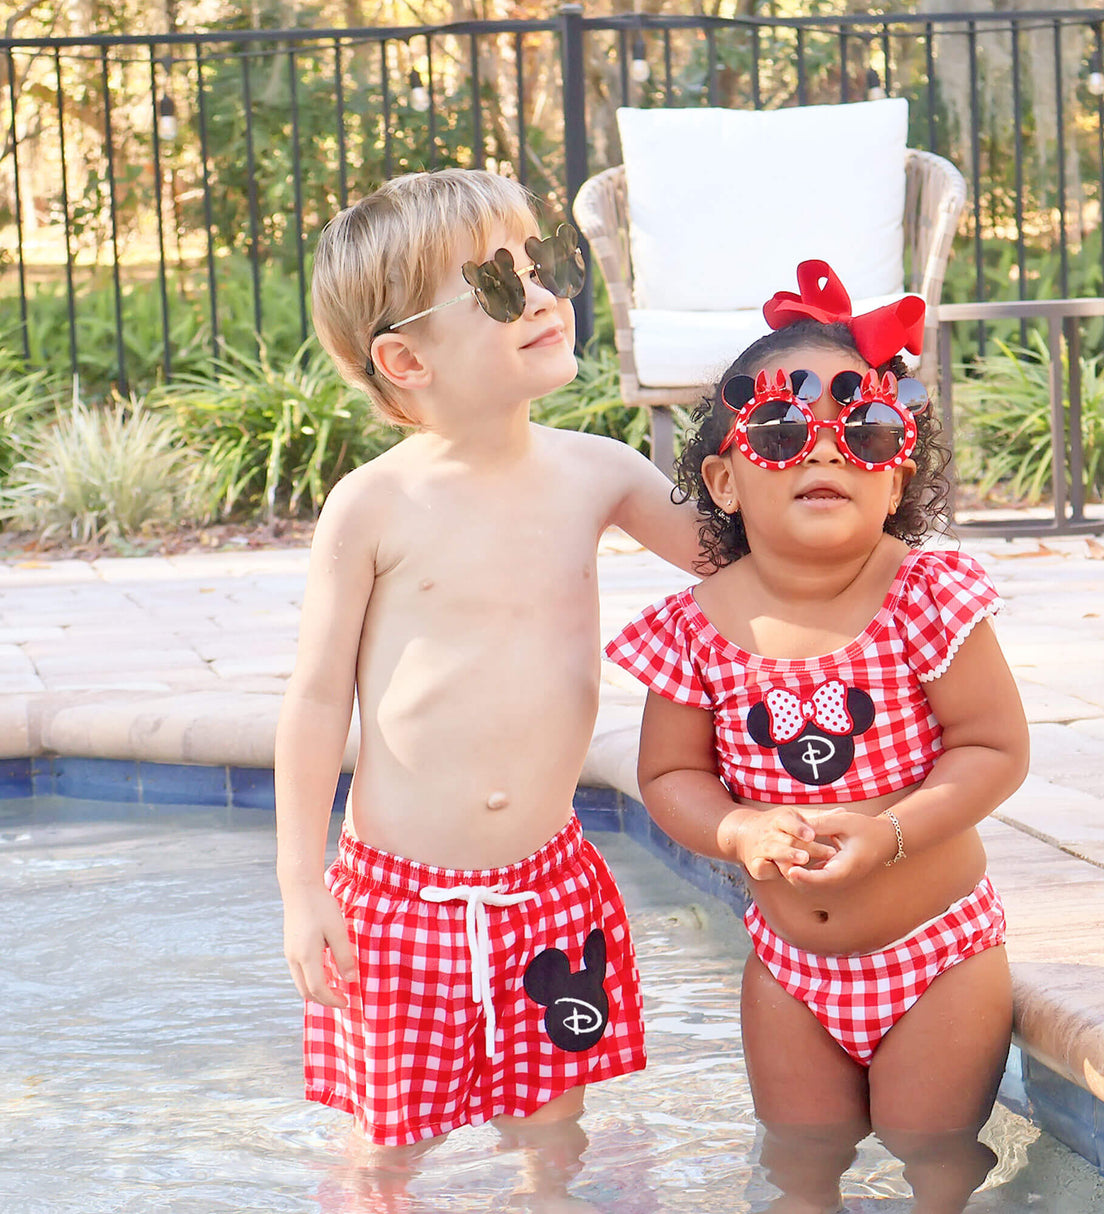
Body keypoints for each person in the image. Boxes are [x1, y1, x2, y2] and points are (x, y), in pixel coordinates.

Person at [275, 168, 700, 1159]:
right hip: (397, 901)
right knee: (387, 1150)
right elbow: (316, 700)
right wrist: (302, 887)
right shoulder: (374, 505)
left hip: (548, 888)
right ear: (405, 358)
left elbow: (732, 559)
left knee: (552, 1139)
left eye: (542, 267)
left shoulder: (599, 473)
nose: (544, 296)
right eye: (501, 285)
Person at [606, 259, 1029, 1212]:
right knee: (799, 1160)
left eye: (863, 430)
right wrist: (736, 828)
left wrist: (893, 831)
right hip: (789, 970)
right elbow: (669, 773)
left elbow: (994, 749)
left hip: (936, 953)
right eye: (781, 430)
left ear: (897, 473)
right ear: (724, 479)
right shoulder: (698, 627)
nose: (824, 451)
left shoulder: (924, 596)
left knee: (934, 1154)